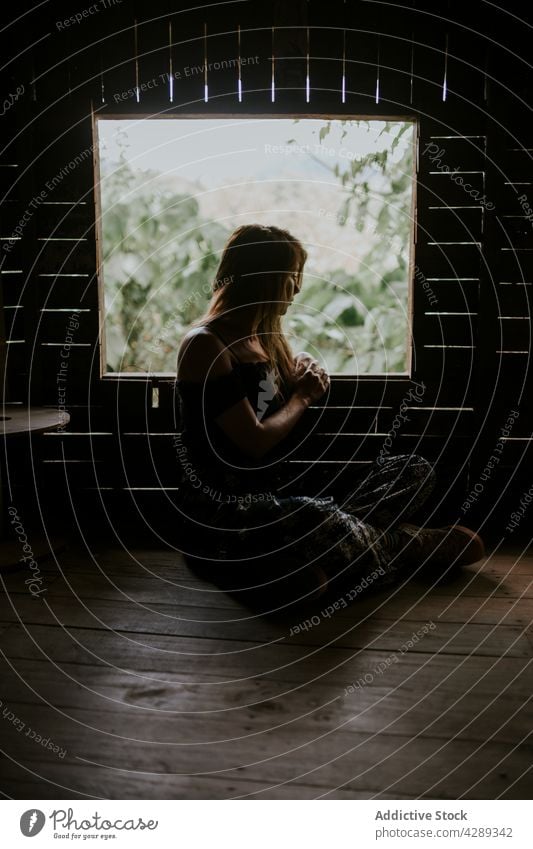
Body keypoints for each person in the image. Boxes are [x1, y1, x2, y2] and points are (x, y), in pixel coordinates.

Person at [173, 224, 484, 607]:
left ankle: (337, 550)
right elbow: (252, 441)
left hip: (286, 491)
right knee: (312, 514)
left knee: (414, 471)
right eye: (291, 278)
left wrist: (298, 369)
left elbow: (270, 396)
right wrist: (303, 397)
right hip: (230, 511)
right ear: (265, 281)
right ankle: (406, 546)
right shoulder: (206, 345)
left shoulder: (264, 339)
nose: (297, 289)